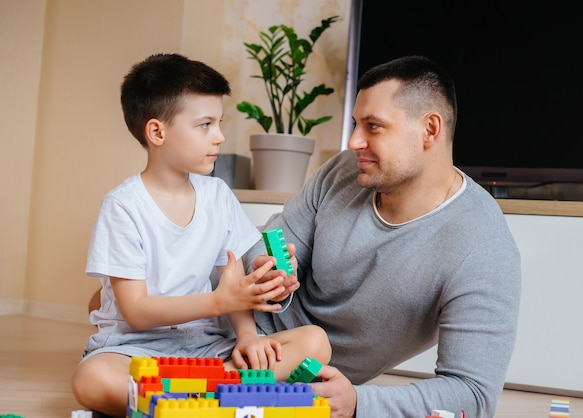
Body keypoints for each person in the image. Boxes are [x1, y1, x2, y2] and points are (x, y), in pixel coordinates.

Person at [244, 55, 522, 418]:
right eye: (356, 124)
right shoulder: (342, 172)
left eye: (373, 126)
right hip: (233, 321)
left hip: (290, 382)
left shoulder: (482, 247)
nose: (354, 141)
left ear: (430, 130)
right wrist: (267, 270)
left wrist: (360, 403)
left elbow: (472, 392)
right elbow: (265, 244)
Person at [71, 53, 331, 417]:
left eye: (218, 123)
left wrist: (248, 336)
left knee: (315, 342)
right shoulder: (123, 207)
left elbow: (233, 274)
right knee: (92, 379)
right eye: (205, 125)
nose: (220, 136)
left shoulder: (218, 195)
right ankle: (225, 398)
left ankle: (184, 402)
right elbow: (137, 311)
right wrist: (219, 303)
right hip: (133, 348)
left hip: (204, 348)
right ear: (157, 132)